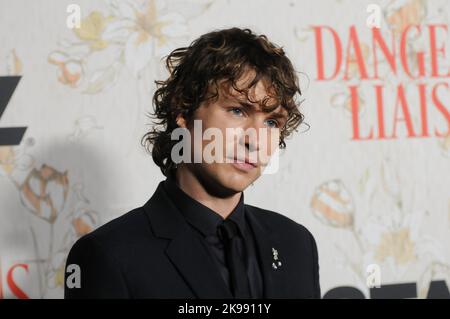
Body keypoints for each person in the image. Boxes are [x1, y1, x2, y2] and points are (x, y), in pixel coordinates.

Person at [64, 27, 320, 299]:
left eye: (271, 122)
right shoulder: (108, 255)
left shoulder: (296, 244)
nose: (255, 140)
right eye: (237, 110)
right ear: (183, 110)